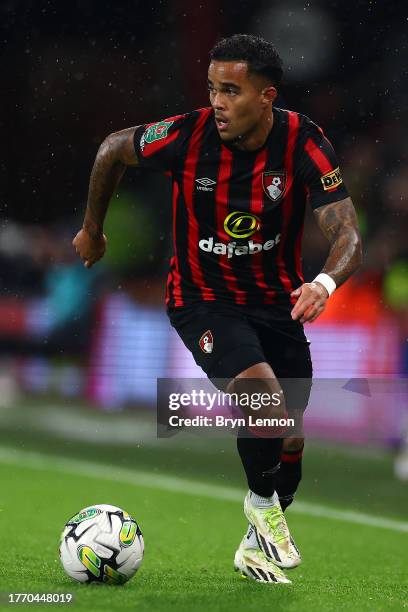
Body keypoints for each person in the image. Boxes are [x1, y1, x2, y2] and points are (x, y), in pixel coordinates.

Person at [73, 34, 362, 584]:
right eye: (212, 88)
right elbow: (113, 147)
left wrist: (324, 282)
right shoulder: (188, 136)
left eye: (231, 90)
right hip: (202, 300)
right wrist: (93, 229)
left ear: (267, 96)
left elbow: (347, 230)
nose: (217, 102)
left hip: (279, 303)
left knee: (290, 435)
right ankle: (260, 507)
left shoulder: (304, 142)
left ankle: (257, 546)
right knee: (263, 398)